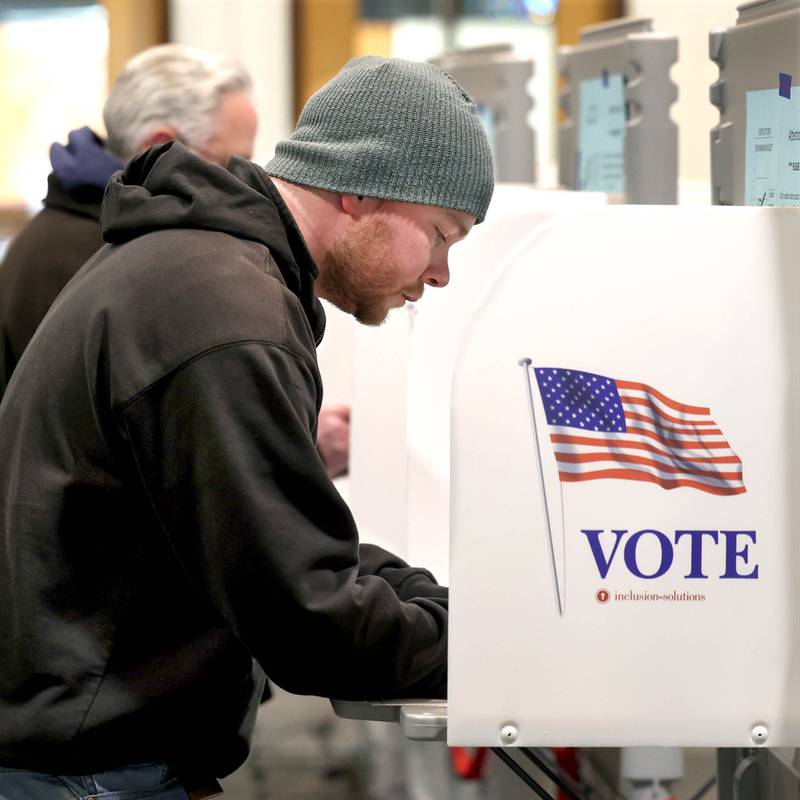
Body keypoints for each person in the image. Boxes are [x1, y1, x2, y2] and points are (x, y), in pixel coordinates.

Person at [0, 55, 493, 799]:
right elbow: (306, 616)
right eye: (441, 234)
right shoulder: (229, 316)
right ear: (361, 191)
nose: (441, 274)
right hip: (89, 769)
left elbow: (275, 538)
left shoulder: (204, 264)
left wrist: (439, 604)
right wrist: (498, 644)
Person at [0, 43, 348, 478]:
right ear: (161, 147)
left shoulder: (86, 236)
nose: (244, 183)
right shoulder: (98, 256)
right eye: (230, 163)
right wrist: (298, 449)